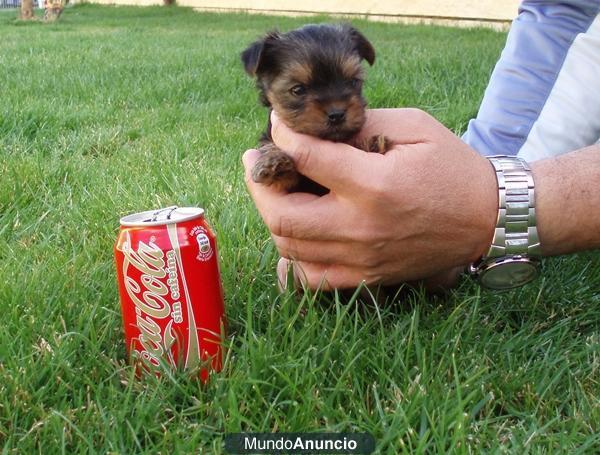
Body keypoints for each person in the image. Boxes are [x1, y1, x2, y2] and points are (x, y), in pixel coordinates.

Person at [242, 0, 600, 291]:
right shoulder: (277, 146)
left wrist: (484, 207)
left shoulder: (372, 137)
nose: (335, 106)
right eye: (299, 91)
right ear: (264, 83)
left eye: (351, 83)